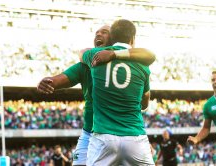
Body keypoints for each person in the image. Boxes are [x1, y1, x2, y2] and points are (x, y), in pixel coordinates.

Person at [37, 25, 155, 166]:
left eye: (104, 32)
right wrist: (48, 82)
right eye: (96, 33)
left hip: (103, 134)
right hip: (92, 132)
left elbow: (82, 52)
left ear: (113, 38)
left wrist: (112, 54)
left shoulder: (118, 59)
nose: (98, 35)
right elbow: (60, 79)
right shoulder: (87, 64)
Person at [80, 19, 155, 166]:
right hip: (135, 137)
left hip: (103, 137)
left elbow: (81, 52)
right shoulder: (143, 64)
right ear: (133, 39)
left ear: (112, 37)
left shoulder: (96, 55)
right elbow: (145, 103)